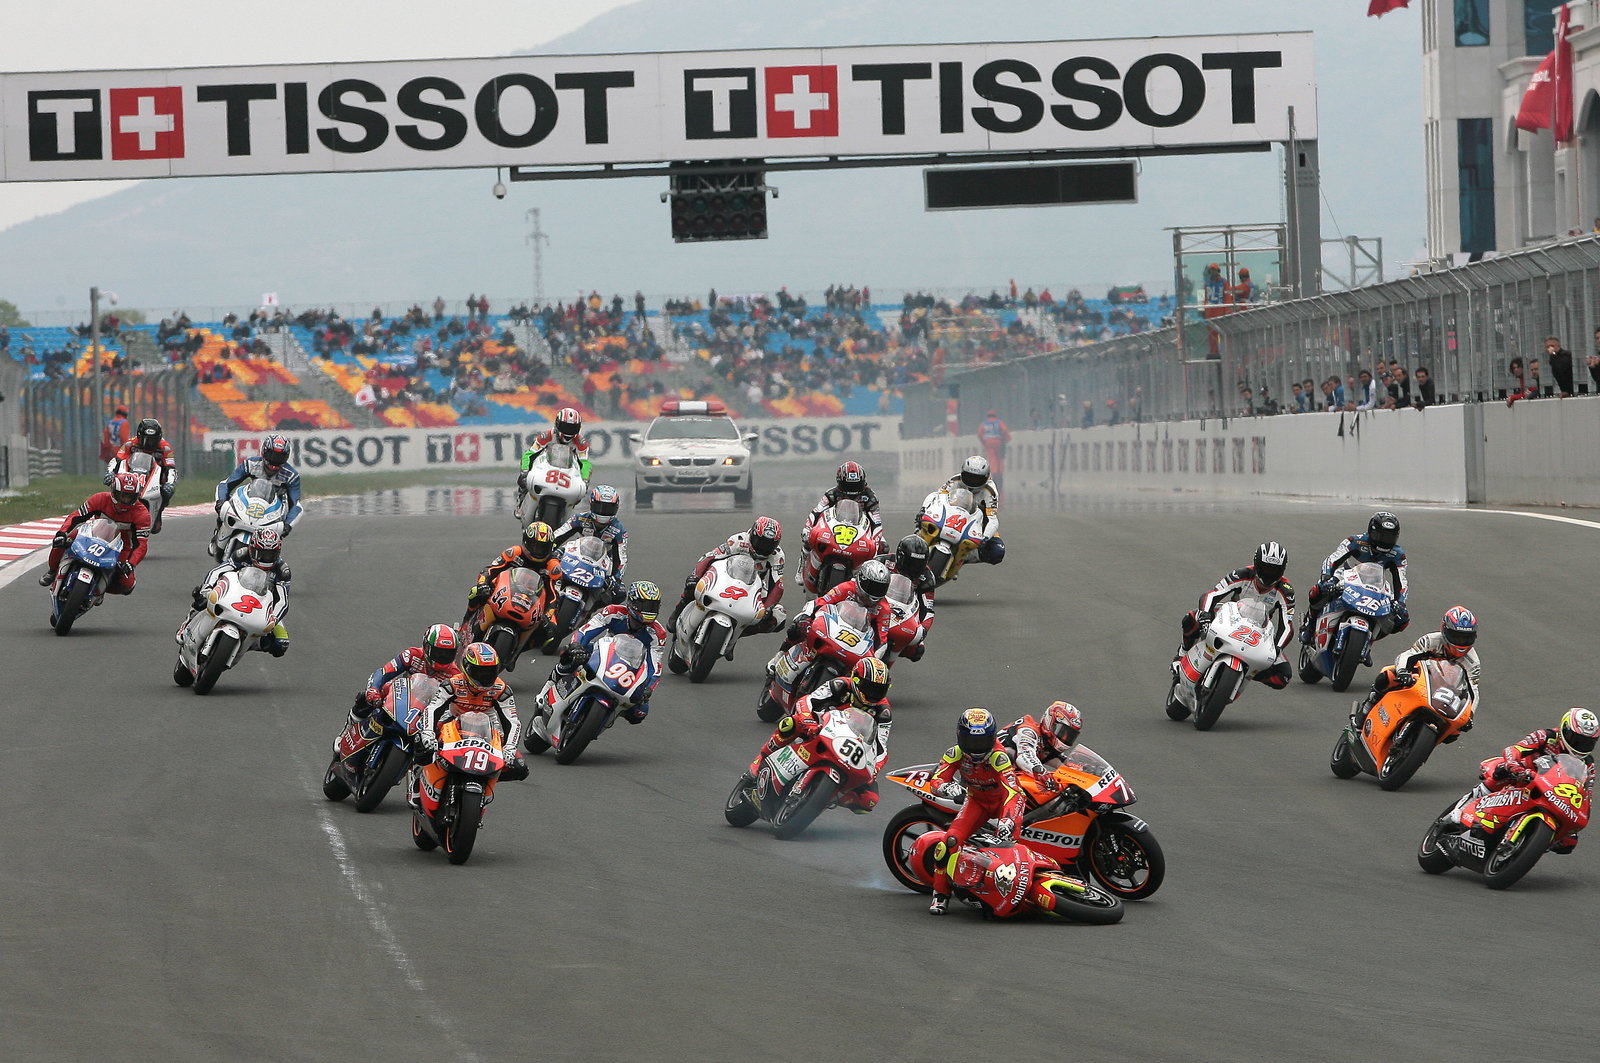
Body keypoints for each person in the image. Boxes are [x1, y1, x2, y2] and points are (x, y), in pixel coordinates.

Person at [740, 656, 892, 813]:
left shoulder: (883, 712)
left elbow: (881, 748)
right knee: (790, 723)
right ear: (855, 680)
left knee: (869, 800)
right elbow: (806, 701)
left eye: (879, 690)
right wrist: (808, 721)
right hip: (818, 728)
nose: (873, 694)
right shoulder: (839, 685)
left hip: (848, 748)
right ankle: (760, 759)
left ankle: (826, 797)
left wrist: (874, 770)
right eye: (869, 687)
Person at [926, 708, 1026, 915]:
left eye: (981, 742)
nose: (976, 748)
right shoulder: (955, 753)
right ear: (960, 738)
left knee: (1010, 846)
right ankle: (940, 894)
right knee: (949, 842)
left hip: (1002, 803)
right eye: (971, 742)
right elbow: (936, 780)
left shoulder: (998, 757)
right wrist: (946, 787)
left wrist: (1008, 820)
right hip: (977, 802)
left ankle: (1017, 895)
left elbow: (1013, 792)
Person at [1454, 709, 1598, 850]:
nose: (1581, 746)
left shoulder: (1588, 764)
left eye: (1587, 742)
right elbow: (1514, 749)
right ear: (1564, 730)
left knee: (1569, 842)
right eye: (1577, 740)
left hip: (1551, 792)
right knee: (1500, 773)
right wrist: (1513, 765)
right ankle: (1462, 807)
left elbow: (1586, 794)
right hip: (1522, 775)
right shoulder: (1546, 736)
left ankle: (1527, 843)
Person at [410, 642, 527, 794]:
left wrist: (510, 747)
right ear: (467, 667)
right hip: (452, 723)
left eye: (490, 671)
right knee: (420, 742)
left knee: (520, 767)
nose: (485, 677)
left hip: (487, 729)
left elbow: (513, 721)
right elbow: (432, 709)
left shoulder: (501, 689)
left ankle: (484, 782)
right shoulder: (452, 684)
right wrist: (428, 733)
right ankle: (417, 781)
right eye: (480, 672)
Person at [1176, 541, 1295, 688]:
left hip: (1259, 632)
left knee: (1283, 676)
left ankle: (1248, 672)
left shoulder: (1286, 591)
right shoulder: (1242, 574)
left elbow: (1287, 626)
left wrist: (1277, 648)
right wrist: (1205, 615)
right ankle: (1181, 655)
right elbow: (1212, 595)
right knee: (1191, 618)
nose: (1269, 574)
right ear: (1257, 564)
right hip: (1230, 619)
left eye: (1274, 570)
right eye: (1265, 568)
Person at [547, 580, 666, 724]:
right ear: (632, 602)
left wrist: (648, 688)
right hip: (603, 655)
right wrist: (577, 645)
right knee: (569, 655)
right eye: (645, 606)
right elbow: (586, 631)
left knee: (639, 712)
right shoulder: (613, 612)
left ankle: (606, 717)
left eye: (653, 606)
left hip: (630, 670)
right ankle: (547, 689)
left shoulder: (658, 634)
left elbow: (655, 666)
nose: (649, 611)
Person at [1351, 606, 1481, 727]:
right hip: (1421, 678)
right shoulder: (1431, 640)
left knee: (1455, 732)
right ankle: (1367, 707)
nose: (1461, 642)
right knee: (1387, 675)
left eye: (1466, 638)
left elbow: (1473, 691)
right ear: (1444, 630)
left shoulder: (1472, 661)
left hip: (1448, 692)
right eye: (1456, 637)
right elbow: (1407, 656)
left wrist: (1470, 715)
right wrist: (1403, 672)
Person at [664, 516, 786, 635]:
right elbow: (710, 557)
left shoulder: (777, 555)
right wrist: (695, 576)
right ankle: (681, 607)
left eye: (769, 545)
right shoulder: (739, 540)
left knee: (778, 616)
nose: (763, 548)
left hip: (753, 587)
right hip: (725, 577)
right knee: (693, 584)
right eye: (761, 542)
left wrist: (768, 608)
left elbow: (778, 585)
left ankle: (738, 631)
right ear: (753, 535)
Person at [1302, 511, 1409, 645]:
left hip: (1377, 584)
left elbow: (1401, 580)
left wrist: (1400, 603)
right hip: (1346, 576)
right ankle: (1309, 627)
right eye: (1380, 536)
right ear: (1371, 532)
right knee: (1318, 591)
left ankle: (1368, 640)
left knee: (1402, 619)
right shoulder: (1355, 541)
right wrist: (1327, 578)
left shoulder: (1398, 554)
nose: (1384, 541)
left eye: (1389, 537)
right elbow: (1332, 559)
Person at [181, 528, 291, 656]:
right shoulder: (242, 554)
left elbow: (282, 601)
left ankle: (247, 643)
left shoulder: (282, 570)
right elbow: (218, 571)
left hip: (263, 605)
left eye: (271, 554)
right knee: (201, 598)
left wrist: (274, 618)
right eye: (261, 553)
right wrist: (207, 588)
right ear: (252, 548)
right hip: (234, 592)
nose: (266, 558)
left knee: (281, 643)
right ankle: (186, 624)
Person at [40, 471, 151, 596]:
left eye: (129, 497)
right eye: (122, 495)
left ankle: (100, 589)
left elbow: (141, 544)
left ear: (136, 497)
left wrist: (131, 564)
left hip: (121, 547)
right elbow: (76, 517)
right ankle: (52, 570)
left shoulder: (142, 514)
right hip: (91, 534)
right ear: (114, 491)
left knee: (127, 585)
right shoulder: (99, 499)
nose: (125, 501)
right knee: (61, 541)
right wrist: (62, 533)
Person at [342, 624, 462, 735]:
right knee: (367, 696)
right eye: (438, 653)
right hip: (402, 698)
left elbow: (455, 706)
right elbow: (384, 672)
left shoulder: (455, 674)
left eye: (448, 654)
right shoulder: (412, 655)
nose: (443, 657)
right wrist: (373, 689)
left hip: (427, 710)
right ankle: (348, 729)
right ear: (426, 647)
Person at [774, 558, 894, 662]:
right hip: (832, 627)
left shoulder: (884, 608)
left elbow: (881, 641)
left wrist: (873, 660)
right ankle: (780, 655)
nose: (875, 592)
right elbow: (820, 602)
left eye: (880, 588)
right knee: (798, 627)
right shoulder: (847, 588)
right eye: (872, 586)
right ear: (861, 580)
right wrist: (805, 616)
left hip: (856, 643)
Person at [463, 521, 559, 628]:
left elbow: (554, 596)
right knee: (476, 592)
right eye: (534, 546)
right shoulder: (514, 552)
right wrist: (482, 584)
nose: (538, 551)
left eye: (542, 548)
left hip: (535, 600)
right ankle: (464, 625)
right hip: (509, 589)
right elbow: (490, 569)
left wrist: (548, 614)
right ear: (526, 542)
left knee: (551, 627)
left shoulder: (553, 566)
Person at [214, 433, 304, 541]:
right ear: (264, 452)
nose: (274, 461)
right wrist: (221, 501)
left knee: (274, 539)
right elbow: (226, 484)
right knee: (225, 514)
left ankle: (270, 550)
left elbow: (296, 505)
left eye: (280, 457)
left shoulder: (291, 476)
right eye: (271, 455)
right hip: (250, 503)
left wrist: (288, 525)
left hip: (273, 513)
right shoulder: (250, 464)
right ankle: (218, 539)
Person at [549, 485, 628, 600]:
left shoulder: (619, 530)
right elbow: (558, 535)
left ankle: (593, 607)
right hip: (576, 555)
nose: (603, 512)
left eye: (608, 508)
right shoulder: (579, 518)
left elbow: (622, 558)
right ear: (591, 504)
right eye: (600, 507)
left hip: (601, 564)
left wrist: (616, 578)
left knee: (619, 593)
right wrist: (548, 549)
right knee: (546, 565)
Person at [926, 455, 1006, 566]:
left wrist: (985, 537)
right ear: (963, 473)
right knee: (924, 525)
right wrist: (924, 510)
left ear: (986, 478)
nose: (972, 482)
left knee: (997, 552)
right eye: (969, 477)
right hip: (950, 517)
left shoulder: (990, 491)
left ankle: (962, 557)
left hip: (977, 524)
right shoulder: (955, 480)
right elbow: (937, 497)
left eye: (977, 479)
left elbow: (992, 519)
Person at [105, 417, 178, 532]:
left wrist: (170, 483)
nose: (149, 443)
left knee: (167, 491)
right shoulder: (130, 444)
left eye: (153, 440)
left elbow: (171, 468)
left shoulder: (165, 448)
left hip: (155, 477)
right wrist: (110, 472)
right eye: (146, 439)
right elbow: (117, 460)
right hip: (132, 473)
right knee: (115, 484)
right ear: (139, 436)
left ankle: (158, 512)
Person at [998, 700, 1084, 789]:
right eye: (1063, 732)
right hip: (993, 770)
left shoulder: (1047, 744)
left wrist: (1083, 770)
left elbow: (1063, 764)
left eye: (1070, 735)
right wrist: (1042, 773)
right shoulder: (1028, 731)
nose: (1065, 737)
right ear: (1051, 723)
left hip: (1010, 775)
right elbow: (1024, 756)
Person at [883, 534, 936, 661]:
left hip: (903, 612)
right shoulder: (883, 561)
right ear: (901, 557)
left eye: (919, 564)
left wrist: (923, 629)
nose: (914, 567)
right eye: (911, 563)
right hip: (876, 603)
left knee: (917, 650)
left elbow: (927, 608)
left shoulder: (927, 578)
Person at [517, 407, 593, 492]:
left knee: (582, 489)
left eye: (573, 428)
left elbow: (585, 463)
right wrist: (525, 471)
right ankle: (523, 492)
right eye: (565, 427)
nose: (568, 431)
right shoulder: (547, 436)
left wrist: (585, 481)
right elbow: (529, 454)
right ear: (557, 424)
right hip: (546, 468)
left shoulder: (581, 443)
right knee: (523, 481)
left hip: (568, 474)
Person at [805, 460, 884, 536]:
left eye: (856, 485)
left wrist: (876, 541)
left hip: (860, 532)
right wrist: (807, 529)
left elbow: (876, 522)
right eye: (848, 485)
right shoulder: (831, 495)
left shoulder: (870, 498)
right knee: (810, 537)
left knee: (882, 544)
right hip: (833, 531)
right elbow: (816, 512)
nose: (852, 489)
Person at [977, 409, 1011, 491]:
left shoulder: (984, 424)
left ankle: (994, 474)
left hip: (988, 442)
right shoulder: (999, 422)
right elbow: (1004, 430)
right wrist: (1006, 439)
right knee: (999, 458)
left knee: (992, 458)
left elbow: (980, 434)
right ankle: (999, 474)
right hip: (998, 441)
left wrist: (984, 442)